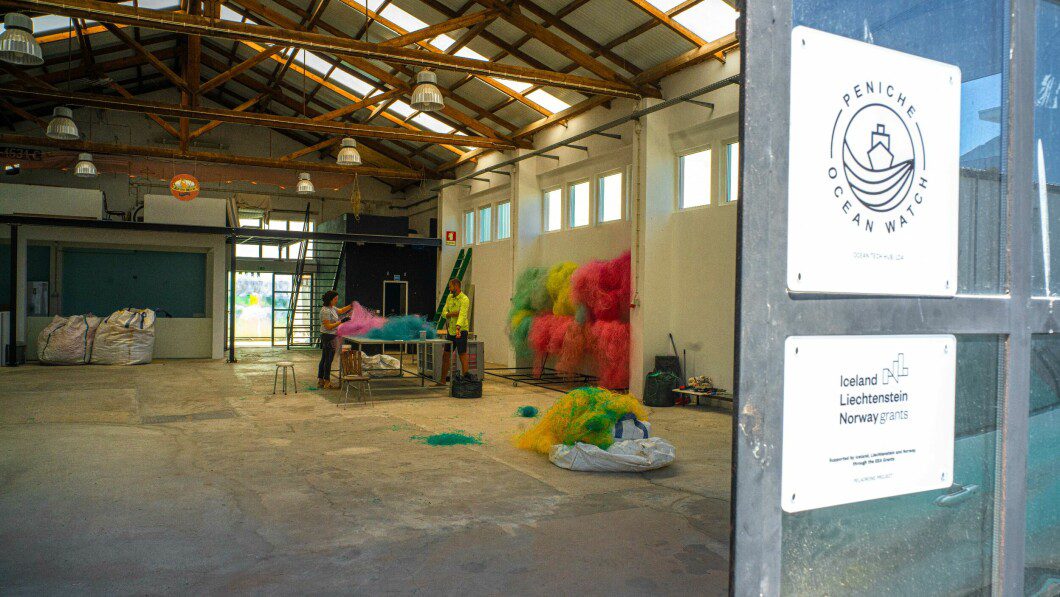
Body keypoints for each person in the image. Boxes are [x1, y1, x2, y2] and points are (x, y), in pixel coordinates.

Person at [318, 290, 353, 389]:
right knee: (328, 359)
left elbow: (341, 311)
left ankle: (321, 380)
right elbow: (328, 326)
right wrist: (341, 321)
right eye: (335, 299)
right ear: (330, 299)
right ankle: (327, 382)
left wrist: (351, 306)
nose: (336, 301)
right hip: (328, 336)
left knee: (325, 358)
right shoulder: (325, 311)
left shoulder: (332, 308)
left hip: (330, 336)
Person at [440, 278, 471, 382]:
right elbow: (444, 313)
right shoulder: (449, 297)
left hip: (461, 330)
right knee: (446, 355)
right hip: (451, 331)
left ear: (456, 286)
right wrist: (452, 314)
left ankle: (466, 379)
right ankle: (442, 381)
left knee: (462, 354)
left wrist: (458, 328)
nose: (449, 289)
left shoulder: (464, 299)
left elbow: (462, 315)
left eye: (450, 286)